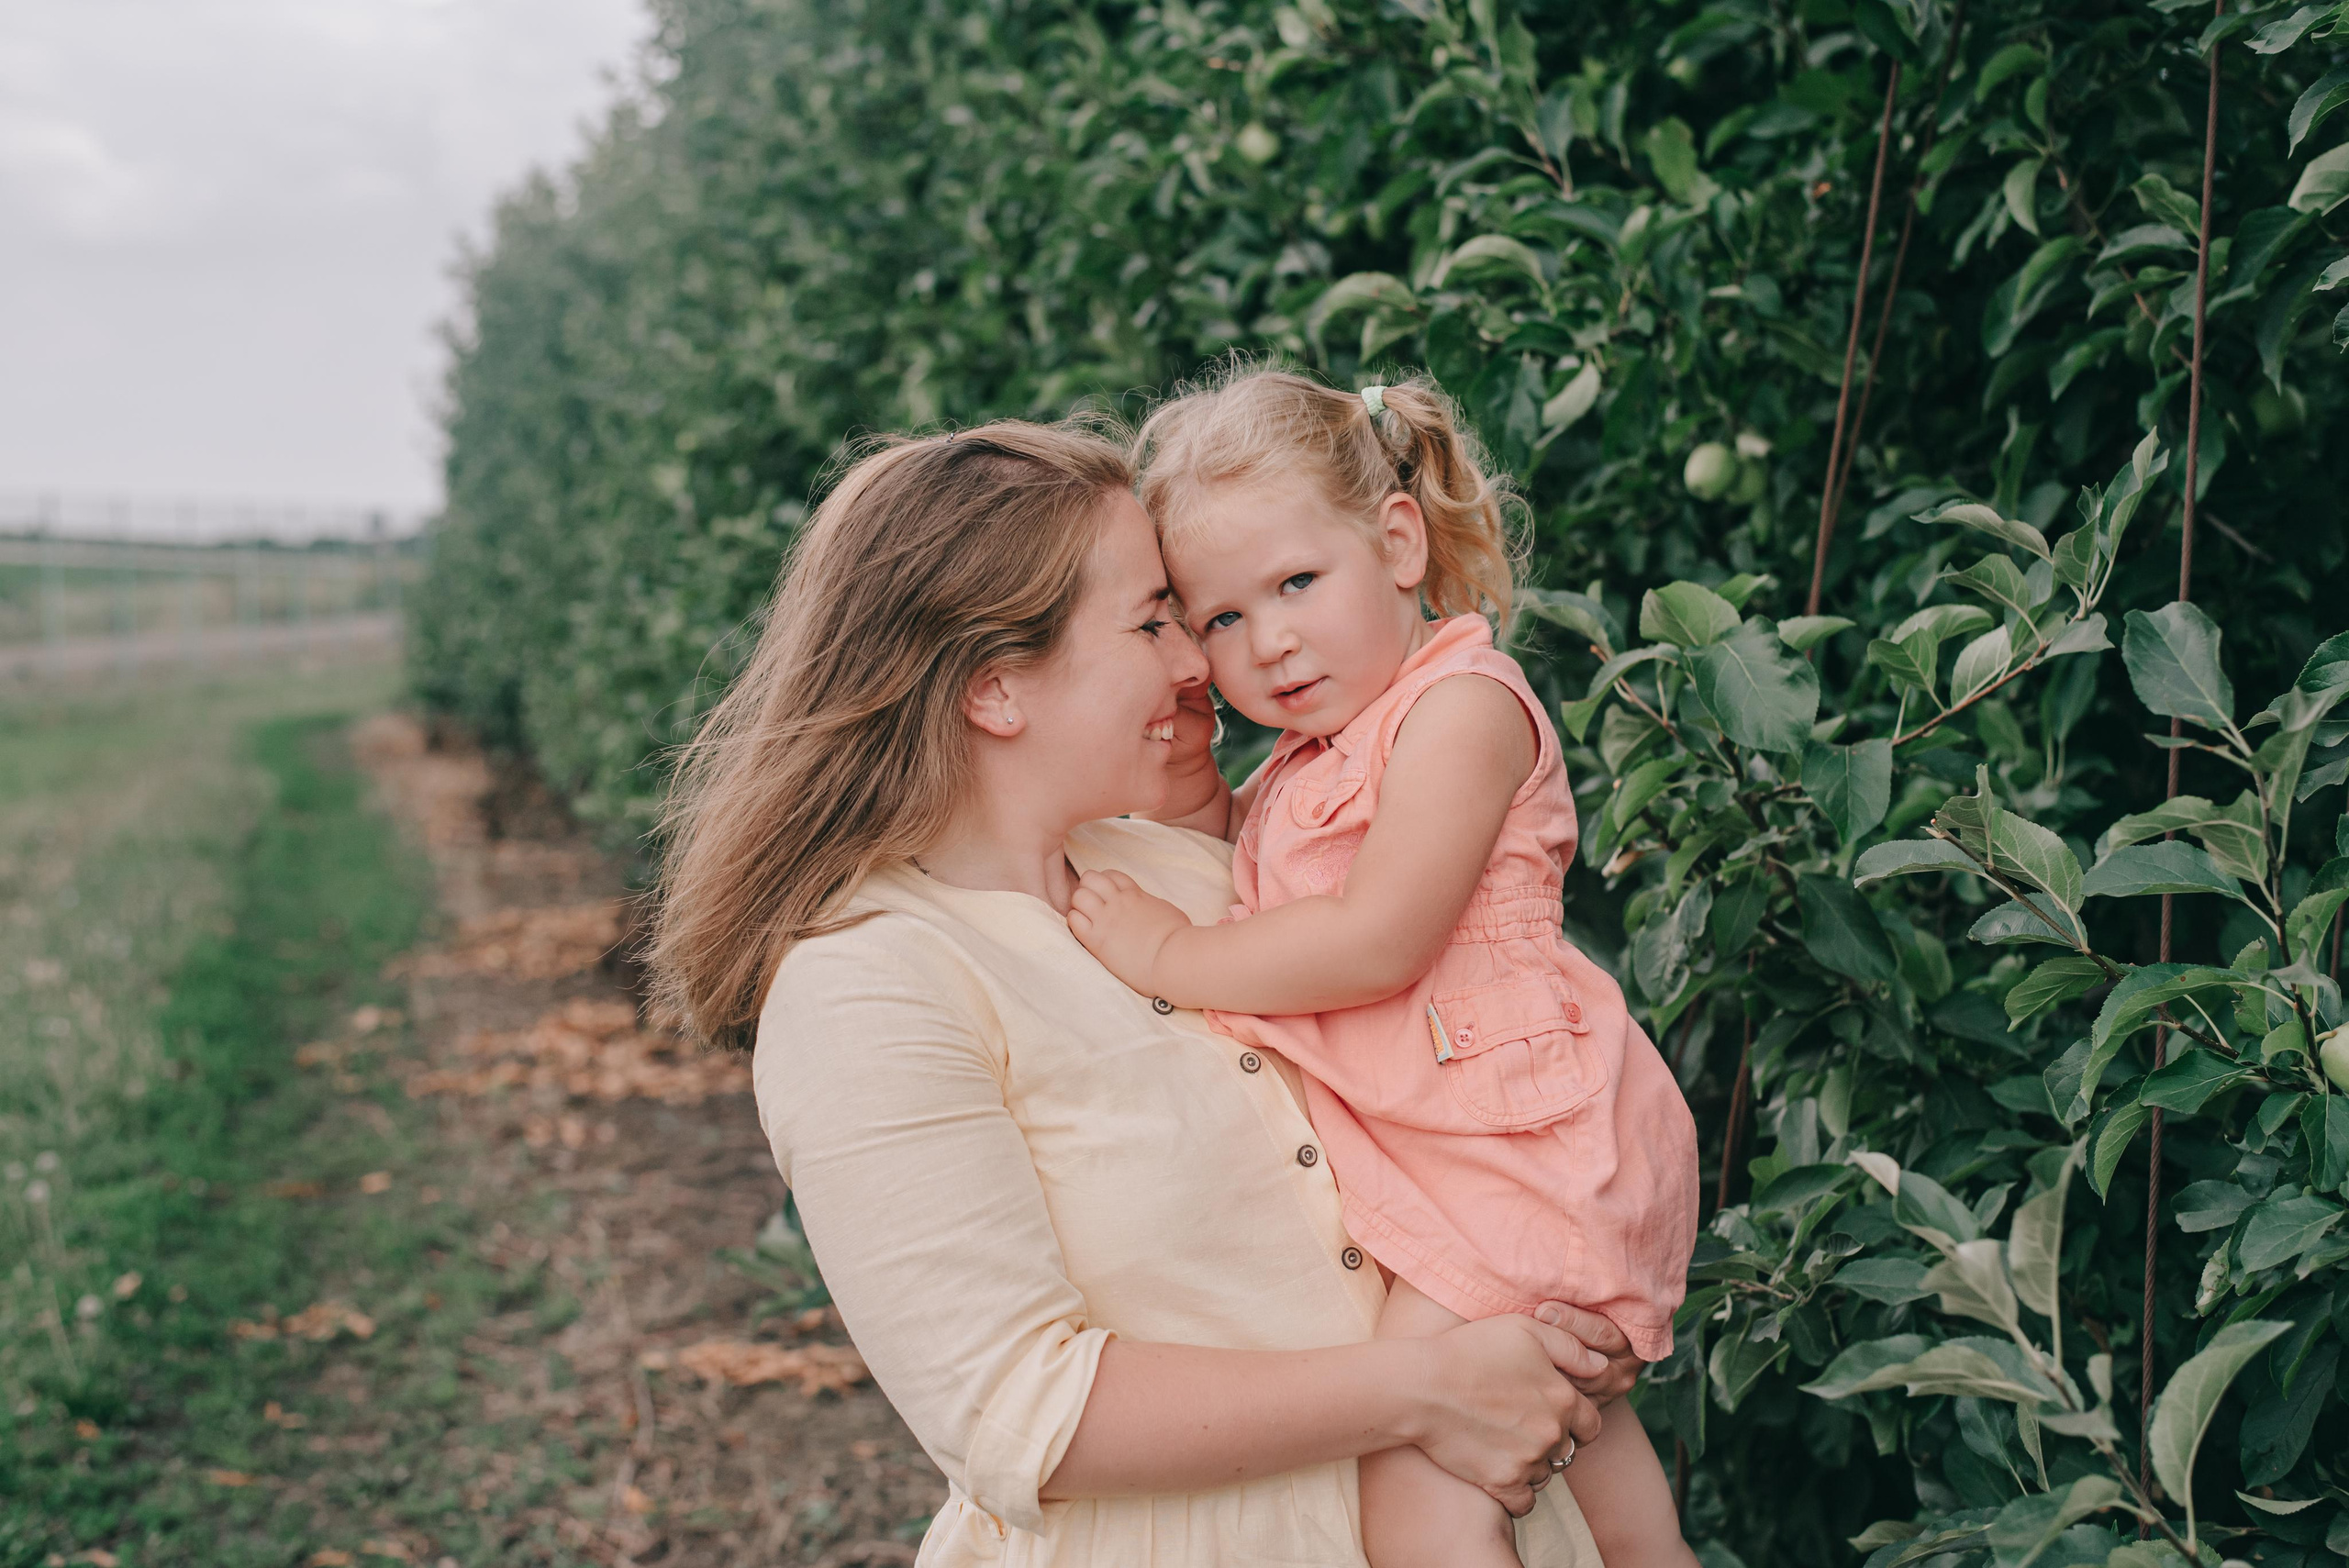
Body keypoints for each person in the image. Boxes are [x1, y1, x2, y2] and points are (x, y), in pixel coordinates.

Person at [646, 418, 1639, 1567]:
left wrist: (1554, 1307)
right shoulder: (871, 989)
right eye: (1154, 618)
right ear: (996, 690)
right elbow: (1021, 1408)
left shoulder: (1195, 872)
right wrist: (1429, 1385)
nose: (1194, 662)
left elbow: (1452, 1104)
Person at [1068, 366, 1700, 1568]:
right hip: (1458, 1169)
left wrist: (1174, 952)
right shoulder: (1314, 757)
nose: (1274, 640)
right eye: (1222, 618)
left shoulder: (1459, 709)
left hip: (1523, 1164)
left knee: (1417, 1507)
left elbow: (1378, 938)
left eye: (1297, 582)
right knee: (1618, 1508)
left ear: (1399, 541)